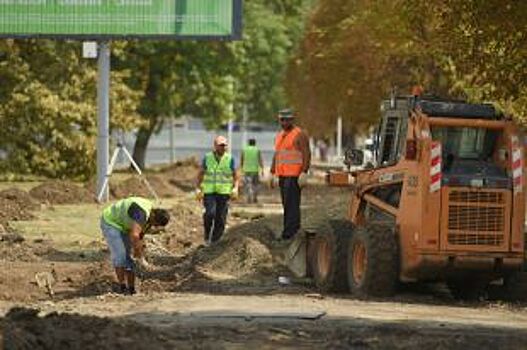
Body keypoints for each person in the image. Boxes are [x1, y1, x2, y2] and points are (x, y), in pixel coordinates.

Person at [100, 196, 170, 295]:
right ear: (153, 216)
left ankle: (131, 288)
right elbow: (134, 235)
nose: (153, 226)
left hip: (124, 225)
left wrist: (139, 255)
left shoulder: (149, 217)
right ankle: (122, 287)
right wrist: (138, 254)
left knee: (129, 258)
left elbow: (139, 237)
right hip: (111, 221)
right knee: (120, 255)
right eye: (155, 224)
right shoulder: (141, 213)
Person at [270, 108, 311, 241]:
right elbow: (277, 155)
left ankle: (290, 233)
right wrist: (272, 172)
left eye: (286, 119)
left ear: (292, 120)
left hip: (294, 176)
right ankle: (291, 230)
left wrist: (304, 172)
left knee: (292, 205)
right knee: (286, 204)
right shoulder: (279, 136)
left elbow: (306, 153)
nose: (284, 122)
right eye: (281, 119)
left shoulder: (299, 134)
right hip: (283, 176)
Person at [196, 136, 239, 245]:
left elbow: (235, 175)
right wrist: (198, 188)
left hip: (224, 193)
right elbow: (201, 173)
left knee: (221, 218)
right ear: (215, 146)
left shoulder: (230, 158)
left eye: (224, 145)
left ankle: (215, 241)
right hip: (209, 192)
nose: (223, 147)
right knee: (210, 213)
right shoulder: (207, 157)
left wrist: (235, 188)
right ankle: (207, 234)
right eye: (221, 145)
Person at [240, 138, 264, 203]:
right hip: (255, 170)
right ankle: (255, 197)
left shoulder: (244, 150)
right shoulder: (257, 150)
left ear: (248, 143)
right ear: (255, 143)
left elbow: (242, 159)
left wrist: (241, 168)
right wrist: (262, 169)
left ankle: (249, 196)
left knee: (248, 184)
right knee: (255, 184)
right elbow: (260, 160)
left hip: (246, 170)